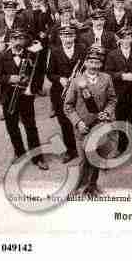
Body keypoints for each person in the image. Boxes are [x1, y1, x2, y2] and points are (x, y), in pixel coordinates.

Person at [64, 46, 117, 197]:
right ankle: (79, 188)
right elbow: (67, 106)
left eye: (97, 63)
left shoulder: (106, 78)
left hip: (100, 125)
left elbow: (112, 99)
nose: (94, 66)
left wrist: (107, 112)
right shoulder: (77, 81)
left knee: (96, 157)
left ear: (101, 65)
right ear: (86, 63)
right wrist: (78, 122)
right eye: (91, 62)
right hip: (83, 126)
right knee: (84, 160)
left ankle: (92, 186)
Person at [0, 28, 49, 170]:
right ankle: (19, 152)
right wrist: (10, 78)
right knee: (12, 127)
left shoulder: (32, 55)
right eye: (14, 39)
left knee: (31, 127)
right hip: (8, 97)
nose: (17, 42)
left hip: (25, 98)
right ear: (10, 41)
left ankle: (37, 157)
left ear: (24, 41)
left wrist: (33, 89)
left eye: (20, 39)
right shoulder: (2, 57)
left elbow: (38, 74)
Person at [47, 25, 86, 163]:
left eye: (70, 36)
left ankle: (86, 148)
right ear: (60, 37)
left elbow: (87, 66)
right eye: (65, 36)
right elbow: (49, 74)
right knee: (64, 121)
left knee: (82, 118)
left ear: (74, 37)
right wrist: (60, 79)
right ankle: (71, 150)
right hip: (60, 92)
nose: (68, 39)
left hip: (79, 90)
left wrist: (82, 75)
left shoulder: (82, 49)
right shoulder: (55, 51)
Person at [104, 26, 132, 158]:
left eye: (129, 38)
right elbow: (108, 73)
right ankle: (121, 147)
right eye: (124, 38)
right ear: (119, 40)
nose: (127, 41)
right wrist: (122, 76)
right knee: (120, 120)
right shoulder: (112, 54)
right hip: (119, 92)